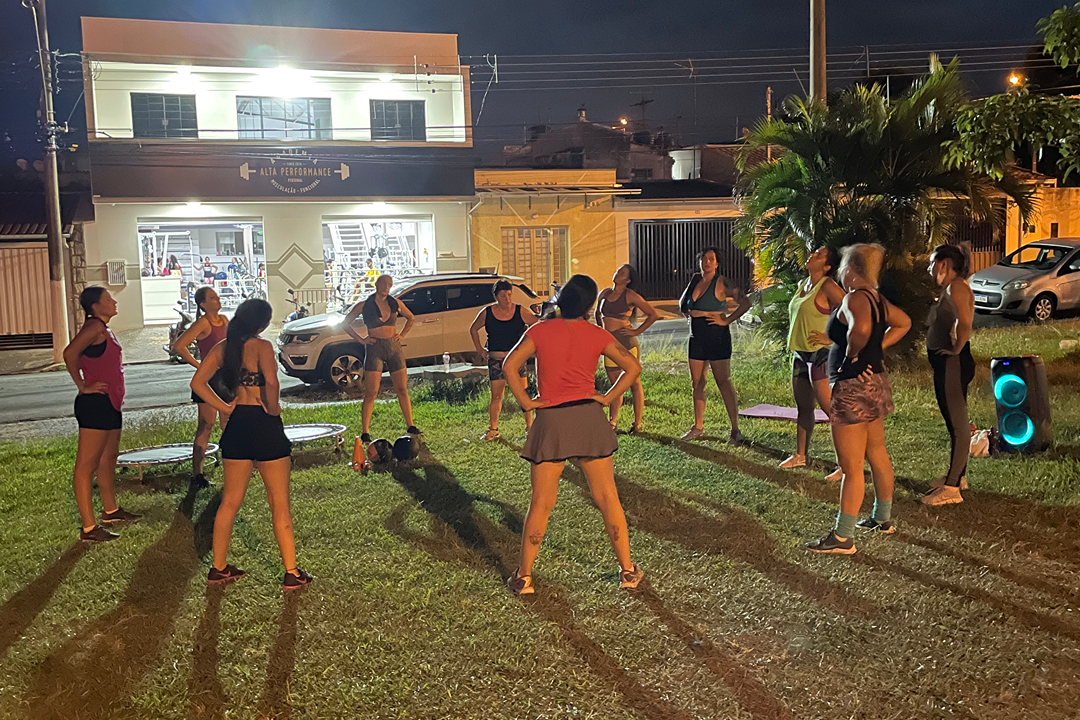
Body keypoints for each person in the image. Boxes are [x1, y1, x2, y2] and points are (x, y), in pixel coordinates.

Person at [502, 274, 645, 595]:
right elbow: (633, 368)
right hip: (588, 419)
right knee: (607, 497)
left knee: (541, 503)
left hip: (551, 420)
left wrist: (527, 401)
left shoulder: (539, 330)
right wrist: (607, 398)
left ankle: (524, 577)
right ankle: (627, 571)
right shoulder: (597, 333)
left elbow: (509, 365)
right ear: (590, 304)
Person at [191, 298, 312, 590]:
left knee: (230, 501)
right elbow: (271, 382)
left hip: (237, 426)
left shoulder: (223, 348)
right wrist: (273, 408)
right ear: (260, 323)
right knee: (279, 502)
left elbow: (197, 383)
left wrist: (225, 407)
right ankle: (291, 572)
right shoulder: (262, 347)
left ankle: (219, 567)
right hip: (264, 424)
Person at [807, 244, 911, 554]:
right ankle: (882, 517)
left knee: (851, 467)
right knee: (876, 450)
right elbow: (903, 323)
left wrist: (851, 358)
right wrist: (875, 351)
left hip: (853, 386)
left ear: (850, 269)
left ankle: (843, 537)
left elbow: (861, 329)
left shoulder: (854, 298)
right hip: (875, 382)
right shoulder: (877, 299)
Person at [62, 287, 141, 543]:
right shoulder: (94, 328)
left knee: (108, 458)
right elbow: (69, 354)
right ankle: (89, 528)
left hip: (110, 403)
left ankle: (110, 511)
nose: (114, 302)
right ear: (95, 306)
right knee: (86, 466)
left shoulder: (104, 329)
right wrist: (82, 385)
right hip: (95, 403)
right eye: (108, 299)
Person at [781, 247, 846, 479]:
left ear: (827, 266)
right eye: (814, 252)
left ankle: (846, 464)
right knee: (804, 406)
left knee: (832, 411)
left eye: (819, 255)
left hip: (820, 354)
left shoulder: (827, 286)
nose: (811, 255)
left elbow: (852, 311)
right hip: (800, 353)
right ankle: (800, 455)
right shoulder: (803, 284)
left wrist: (831, 338)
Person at [922, 244, 976, 506]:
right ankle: (957, 476)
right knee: (953, 422)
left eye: (932, 262)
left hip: (952, 364)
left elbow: (964, 322)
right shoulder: (951, 288)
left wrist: (956, 348)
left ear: (944, 263)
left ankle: (952, 488)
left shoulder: (957, 288)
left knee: (958, 424)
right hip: (946, 363)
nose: (930, 268)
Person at [678, 247, 751, 442]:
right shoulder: (695, 280)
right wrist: (692, 315)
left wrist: (727, 321)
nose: (707, 262)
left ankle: (735, 429)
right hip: (696, 336)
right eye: (704, 258)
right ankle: (698, 426)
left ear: (717, 263)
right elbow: (683, 305)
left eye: (711, 259)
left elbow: (745, 303)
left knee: (723, 381)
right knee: (697, 382)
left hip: (716, 335)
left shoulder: (722, 282)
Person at [341, 274, 422, 442]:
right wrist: (361, 339)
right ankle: (365, 431)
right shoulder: (364, 305)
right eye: (384, 283)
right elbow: (345, 323)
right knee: (372, 392)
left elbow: (411, 317)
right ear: (376, 284)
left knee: (401, 389)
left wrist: (402, 335)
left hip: (393, 347)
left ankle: (410, 424)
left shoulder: (395, 303)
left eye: (389, 284)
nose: (386, 287)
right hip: (374, 348)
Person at [173, 286, 229, 489]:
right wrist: (199, 366)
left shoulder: (224, 320)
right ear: (203, 304)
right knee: (206, 425)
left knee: (228, 423)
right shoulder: (203, 323)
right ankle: (197, 473)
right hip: (209, 379)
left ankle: (232, 465)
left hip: (225, 377)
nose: (217, 299)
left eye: (217, 296)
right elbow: (179, 346)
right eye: (212, 297)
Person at [469, 279, 539, 441]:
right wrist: (480, 349)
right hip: (496, 359)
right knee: (496, 396)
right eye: (503, 295)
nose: (507, 299)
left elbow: (536, 325)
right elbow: (473, 329)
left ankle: (530, 428)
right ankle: (493, 429)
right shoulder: (487, 312)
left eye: (509, 295)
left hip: (516, 360)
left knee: (523, 394)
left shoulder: (520, 311)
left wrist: (529, 347)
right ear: (496, 297)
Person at [595, 264, 660, 433]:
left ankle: (637, 424)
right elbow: (597, 314)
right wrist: (601, 332)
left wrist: (636, 331)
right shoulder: (604, 293)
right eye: (618, 270)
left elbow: (653, 314)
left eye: (622, 273)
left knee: (634, 383)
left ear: (628, 280)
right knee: (615, 384)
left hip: (626, 342)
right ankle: (612, 422)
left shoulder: (630, 295)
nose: (617, 273)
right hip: (609, 343)